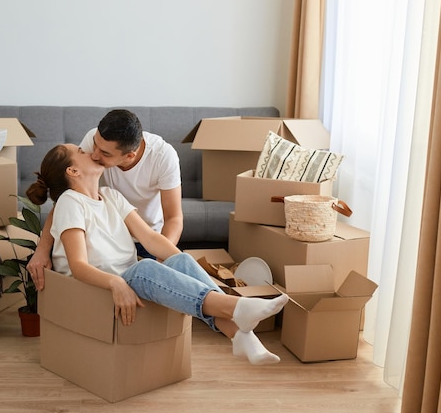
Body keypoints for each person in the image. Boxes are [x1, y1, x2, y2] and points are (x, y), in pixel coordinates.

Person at [26, 144, 289, 365]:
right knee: (145, 269)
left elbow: (151, 238)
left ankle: (239, 336)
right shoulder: (71, 202)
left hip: (126, 278)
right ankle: (238, 310)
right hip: (96, 287)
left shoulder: (110, 196)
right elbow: (79, 266)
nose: (92, 152)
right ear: (73, 170)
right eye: (82, 151)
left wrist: (177, 265)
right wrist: (116, 282)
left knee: (181, 258)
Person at [28, 109, 183, 289]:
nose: (94, 155)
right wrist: (42, 250)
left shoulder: (162, 156)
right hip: (106, 246)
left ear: (129, 155)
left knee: (175, 269)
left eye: (105, 154)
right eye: (94, 145)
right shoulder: (96, 143)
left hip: (147, 241)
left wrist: (162, 258)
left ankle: (219, 300)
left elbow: (173, 218)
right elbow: (68, 195)